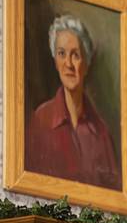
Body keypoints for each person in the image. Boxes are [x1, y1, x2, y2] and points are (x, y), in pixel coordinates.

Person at [26, 14, 121, 190]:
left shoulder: (101, 133)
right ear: (55, 60)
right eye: (62, 54)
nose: (68, 64)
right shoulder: (41, 120)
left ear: (86, 63)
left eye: (75, 55)